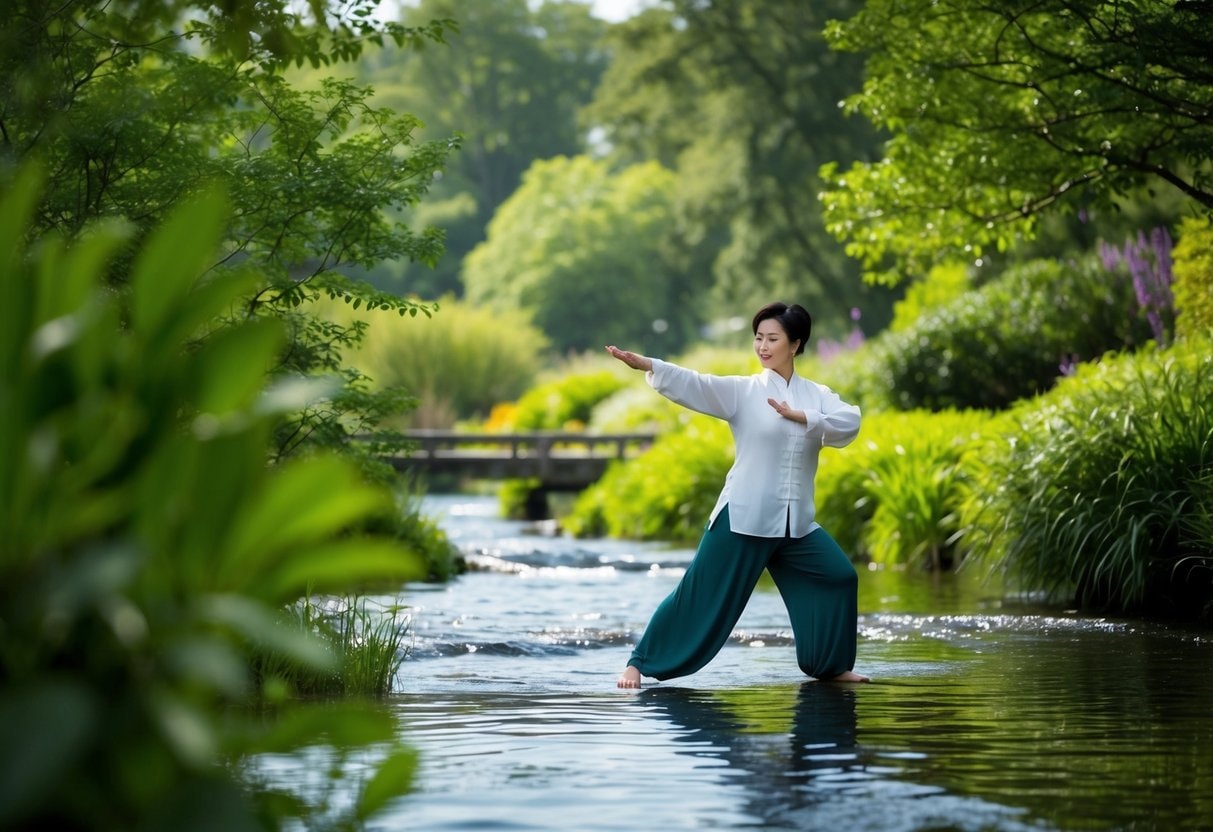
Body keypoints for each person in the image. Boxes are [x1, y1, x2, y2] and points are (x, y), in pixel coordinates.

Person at [607, 301, 869, 689]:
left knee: (839, 577)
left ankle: (829, 666)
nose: (762, 346)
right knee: (697, 594)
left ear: (795, 345)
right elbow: (697, 383)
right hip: (744, 517)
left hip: (794, 523)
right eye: (758, 338)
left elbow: (850, 422)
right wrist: (650, 365)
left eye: (772, 338)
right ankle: (638, 663)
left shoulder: (817, 396)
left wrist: (806, 419)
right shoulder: (744, 392)